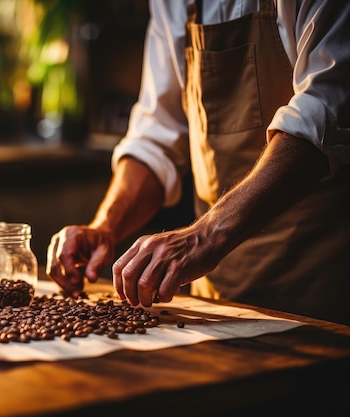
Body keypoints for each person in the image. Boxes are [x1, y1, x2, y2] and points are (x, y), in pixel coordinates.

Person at [46, 0, 350, 325]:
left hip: (321, 293)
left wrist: (203, 238)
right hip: (216, 303)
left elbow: (326, 113)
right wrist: (105, 226)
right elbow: (157, 135)